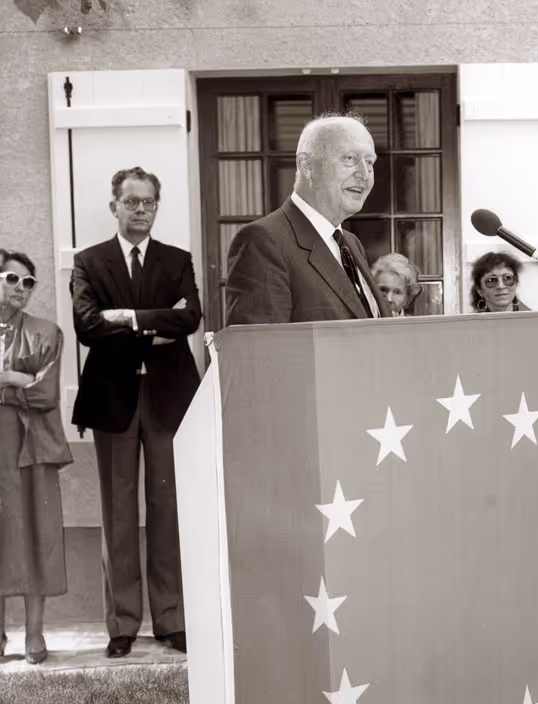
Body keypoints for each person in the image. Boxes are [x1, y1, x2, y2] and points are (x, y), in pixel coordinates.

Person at [72, 167, 202, 658]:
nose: (141, 209)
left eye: (148, 202)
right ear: (115, 207)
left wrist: (126, 319)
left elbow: (189, 318)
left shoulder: (176, 261)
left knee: (167, 510)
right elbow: (87, 326)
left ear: (156, 207)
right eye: (131, 201)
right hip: (113, 398)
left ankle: (171, 619)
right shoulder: (89, 263)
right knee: (118, 513)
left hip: (168, 399)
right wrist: (155, 325)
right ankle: (122, 624)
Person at [225, 112, 389, 325]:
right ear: (307, 165)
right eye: (350, 158)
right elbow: (259, 352)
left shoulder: (351, 243)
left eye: (369, 162)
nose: (364, 174)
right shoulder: (263, 242)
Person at [0, 250, 73, 664]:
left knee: (35, 532)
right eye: (12, 279)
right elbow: (30, 387)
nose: (21, 289)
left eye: (29, 283)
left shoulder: (46, 332)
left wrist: (8, 379)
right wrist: (17, 379)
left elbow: (44, 394)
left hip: (32, 447)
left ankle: (33, 634)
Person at [371, 253, 422, 317]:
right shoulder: (362, 323)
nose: (389, 299)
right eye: (383, 290)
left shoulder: (415, 326)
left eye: (397, 292)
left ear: (407, 299)